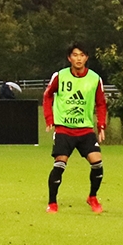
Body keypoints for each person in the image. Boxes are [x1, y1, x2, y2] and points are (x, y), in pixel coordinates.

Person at [43, 43, 107, 214]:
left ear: (86, 58)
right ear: (69, 58)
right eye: (75, 55)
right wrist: (49, 118)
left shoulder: (94, 78)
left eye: (82, 55)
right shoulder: (60, 76)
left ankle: (92, 197)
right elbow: (47, 96)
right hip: (64, 129)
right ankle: (52, 203)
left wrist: (101, 125)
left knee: (97, 163)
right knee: (60, 163)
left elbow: (101, 103)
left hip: (85, 129)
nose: (78, 58)